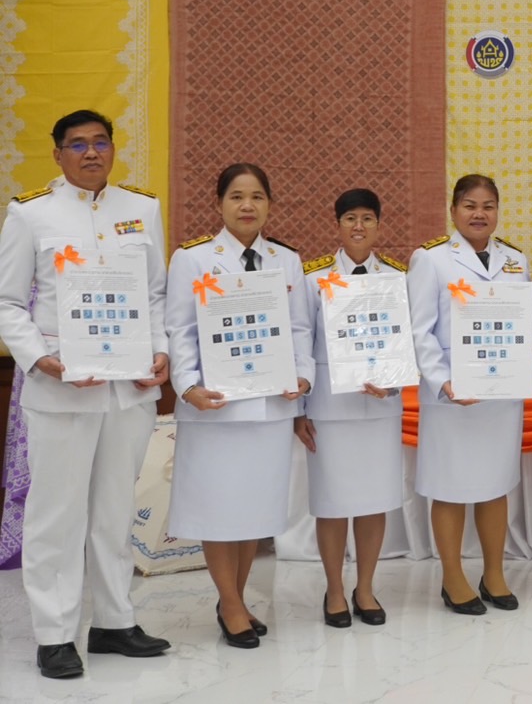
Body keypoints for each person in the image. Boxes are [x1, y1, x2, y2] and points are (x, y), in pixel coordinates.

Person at [0, 110, 172, 679]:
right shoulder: (30, 214)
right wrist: (40, 360)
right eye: (78, 145)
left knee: (114, 509)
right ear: (58, 155)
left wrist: (161, 349)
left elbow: (156, 294)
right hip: (62, 388)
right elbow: (7, 305)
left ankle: (114, 623)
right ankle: (54, 633)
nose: (91, 153)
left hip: (128, 390)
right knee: (57, 514)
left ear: (113, 149)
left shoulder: (141, 209)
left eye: (101, 142)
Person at [167, 163, 314, 649]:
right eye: (236, 196)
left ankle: (235, 597)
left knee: (252, 510)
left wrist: (303, 377)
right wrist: (187, 386)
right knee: (218, 508)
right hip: (216, 406)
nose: (246, 205)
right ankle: (230, 604)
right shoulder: (192, 260)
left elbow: (298, 330)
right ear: (219, 204)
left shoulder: (285, 260)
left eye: (256, 197)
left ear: (269, 204)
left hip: (269, 406)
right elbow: (181, 330)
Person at [408, 174, 527, 616]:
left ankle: (494, 573)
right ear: (454, 210)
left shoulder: (515, 261)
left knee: (496, 484)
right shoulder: (432, 259)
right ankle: (453, 577)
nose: (480, 214)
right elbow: (420, 331)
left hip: (500, 394)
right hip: (452, 396)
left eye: (489, 206)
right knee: (451, 485)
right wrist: (443, 380)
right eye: (471, 206)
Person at [295, 188, 408, 627]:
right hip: (329, 406)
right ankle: (335, 589)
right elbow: (301, 342)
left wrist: (394, 385)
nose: (358, 226)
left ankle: (365, 587)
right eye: (350, 219)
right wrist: (299, 410)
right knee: (333, 501)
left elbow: (406, 343)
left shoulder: (396, 276)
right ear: (337, 225)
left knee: (373, 500)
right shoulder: (313, 278)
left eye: (367, 219)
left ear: (379, 225)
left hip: (379, 408)